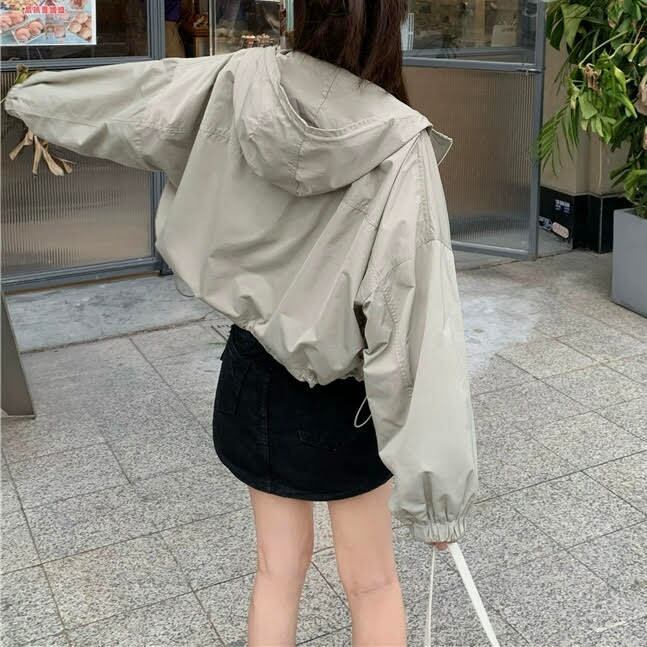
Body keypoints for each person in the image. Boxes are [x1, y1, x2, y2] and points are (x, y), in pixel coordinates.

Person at [4, 1, 478, 644]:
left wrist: (30, 93)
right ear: (388, 25)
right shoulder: (400, 141)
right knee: (371, 583)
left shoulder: (241, 77)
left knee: (276, 572)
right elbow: (417, 322)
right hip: (344, 398)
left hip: (252, 373)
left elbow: (133, 102)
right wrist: (438, 497)